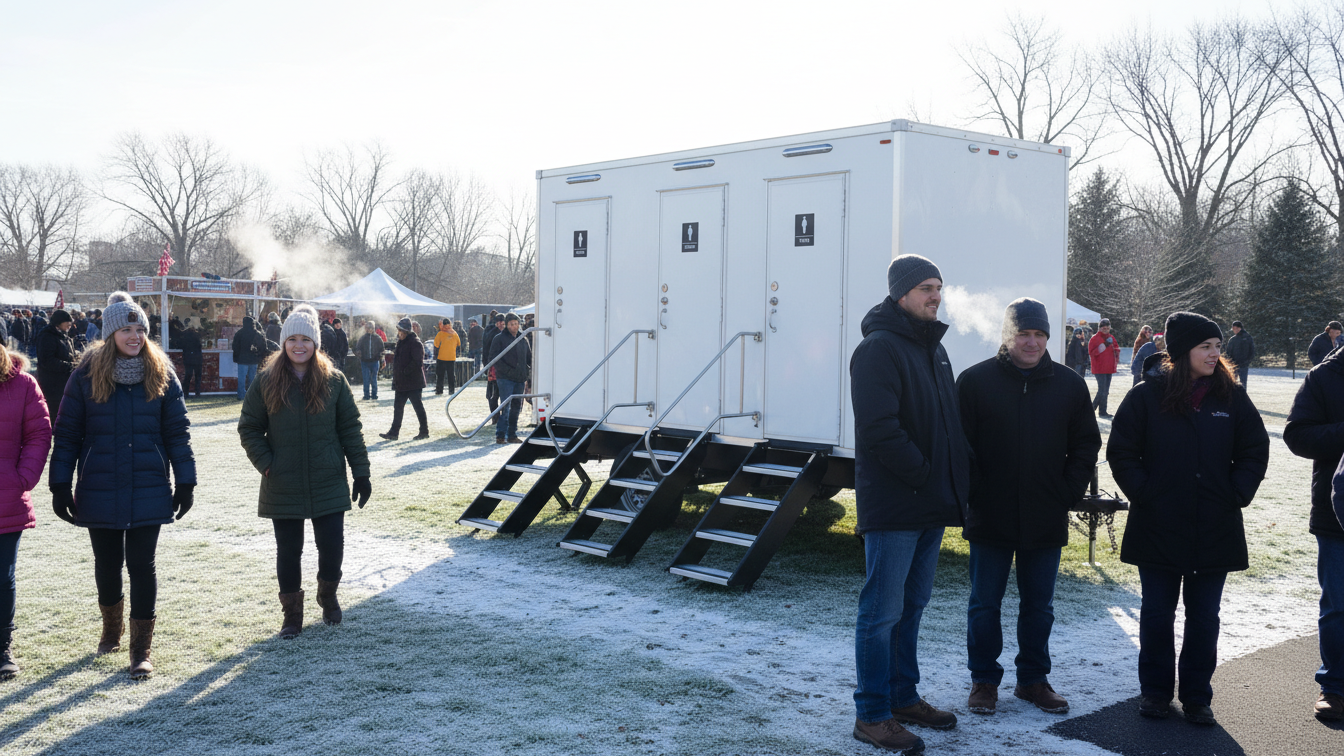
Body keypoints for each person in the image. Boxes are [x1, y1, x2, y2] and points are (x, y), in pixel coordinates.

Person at [1107, 312, 1269, 724]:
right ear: (1182, 353)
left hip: (1215, 526)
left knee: (1204, 617)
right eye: (1205, 347)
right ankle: (1156, 694)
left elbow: (1254, 448)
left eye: (1217, 346)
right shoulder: (1146, 396)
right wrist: (1145, 493)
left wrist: (1235, 493)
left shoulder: (1231, 397)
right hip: (1158, 524)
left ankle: (1197, 696)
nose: (1215, 354)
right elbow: (1122, 451)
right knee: (1157, 614)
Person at [956, 298, 1101, 717]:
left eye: (1039, 334)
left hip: (1045, 514)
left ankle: (1033, 680)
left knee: (1039, 605)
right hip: (990, 514)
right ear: (1008, 335)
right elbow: (959, 446)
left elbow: (1085, 445)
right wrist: (977, 492)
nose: (1032, 342)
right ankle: (984, 680)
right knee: (985, 603)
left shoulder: (1069, 385)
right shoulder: (975, 381)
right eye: (1024, 333)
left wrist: (1066, 492)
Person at [848, 255, 969, 753]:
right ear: (901, 292)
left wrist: (953, 478)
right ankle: (872, 714)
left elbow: (947, 423)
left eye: (938, 286)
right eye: (925, 287)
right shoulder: (878, 349)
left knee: (912, 606)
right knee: (881, 612)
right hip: (897, 504)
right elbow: (879, 430)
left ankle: (903, 697)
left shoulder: (933, 350)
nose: (934, 295)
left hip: (930, 502)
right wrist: (924, 473)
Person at [47, 292, 197, 680]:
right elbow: (66, 433)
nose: (134, 336)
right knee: (108, 564)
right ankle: (111, 630)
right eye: (125, 329)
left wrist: (186, 481)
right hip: (100, 484)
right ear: (110, 332)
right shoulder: (84, 375)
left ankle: (140, 649)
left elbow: (177, 433)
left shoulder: (162, 372)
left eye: (139, 329)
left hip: (148, 483)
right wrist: (60, 483)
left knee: (142, 565)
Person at [238, 304, 371, 639]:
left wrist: (361, 473)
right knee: (289, 550)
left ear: (316, 343)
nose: (299, 345)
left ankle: (328, 596)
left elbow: (350, 429)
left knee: (331, 546)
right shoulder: (266, 380)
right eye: (292, 339)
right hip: (282, 481)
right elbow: (249, 427)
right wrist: (268, 464)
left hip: (327, 479)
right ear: (283, 343)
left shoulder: (334, 381)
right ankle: (292, 615)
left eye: (306, 339)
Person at [1284, 338, 1344, 721]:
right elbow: (1298, 435)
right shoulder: (1324, 376)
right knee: (1339, 605)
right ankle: (1335, 687)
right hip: (1338, 513)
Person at [0, 340, 53, 680]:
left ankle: (2, 645)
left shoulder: (22, 383)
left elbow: (39, 432)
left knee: (2, 576)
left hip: (6, 493)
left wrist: (23, 477)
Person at [381, 318, 429, 441]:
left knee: (418, 407)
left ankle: (424, 431)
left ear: (406, 331)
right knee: (398, 408)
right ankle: (393, 432)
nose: (399, 334)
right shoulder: (401, 342)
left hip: (413, 382)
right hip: (402, 382)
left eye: (401, 331)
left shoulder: (415, 342)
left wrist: (405, 371)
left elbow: (417, 361)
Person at [488, 314, 530, 445]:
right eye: (511, 324)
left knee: (517, 407)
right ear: (506, 325)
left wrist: (527, 372)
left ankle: (512, 434)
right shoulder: (499, 338)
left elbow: (529, 357)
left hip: (520, 378)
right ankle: (500, 435)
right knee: (505, 407)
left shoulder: (523, 338)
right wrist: (507, 371)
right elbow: (494, 358)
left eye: (516, 323)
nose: (514, 326)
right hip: (505, 378)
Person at [35, 308, 77, 426]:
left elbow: (65, 352)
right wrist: (70, 366)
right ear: (58, 322)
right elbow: (47, 361)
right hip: (52, 383)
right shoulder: (47, 336)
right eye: (67, 322)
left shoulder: (63, 335)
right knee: (55, 411)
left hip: (63, 380)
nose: (70, 325)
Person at [1088, 318, 1121, 418]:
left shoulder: (1111, 337)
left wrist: (1116, 352)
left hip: (1109, 368)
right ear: (1099, 328)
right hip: (1099, 368)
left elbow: (1117, 349)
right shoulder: (1094, 339)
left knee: (1105, 391)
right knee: (1102, 390)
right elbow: (1092, 353)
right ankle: (1090, 410)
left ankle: (1102, 411)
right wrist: (1105, 345)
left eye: (1107, 328)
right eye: (1103, 328)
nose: (1106, 330)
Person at [232, 316, 267, 400]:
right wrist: (259, 355)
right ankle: (251, 396)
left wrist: (237, 356)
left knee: (241, 379)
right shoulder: (257, 334)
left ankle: (241, 395)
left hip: (242, 359)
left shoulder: (239, 333)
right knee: (252, 379)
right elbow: (263, 346)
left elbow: (234, 346)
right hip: (254, 359)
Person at [482, 314, 506, 422]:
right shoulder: (491, 334)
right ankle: (495, 418)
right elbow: (486, 350)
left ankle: (503, 417)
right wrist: (486, 367)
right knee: (492, 395)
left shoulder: (509, 334)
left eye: (503, 322)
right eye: (499, 322)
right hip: (493, 368)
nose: (500, 324)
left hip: (505, 370)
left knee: (504, 395)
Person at [355, 321, 385, 401]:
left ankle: (374, 394)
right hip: (365, 361)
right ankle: (367, 394)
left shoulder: (377, 338)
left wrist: (381, 357)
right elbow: (358, 348)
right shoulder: (363, 338)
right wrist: (359, 354)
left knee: (373, 379)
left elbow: (382, 349)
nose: (369, 330)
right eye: (368, 328)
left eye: (370, 328)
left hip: (374, 361)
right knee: (366, 379)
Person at [433, 318, 462, 396]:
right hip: (451, 358)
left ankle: (439, 390)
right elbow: (459, 345)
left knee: (440, 376)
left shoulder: (440, 333)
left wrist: (435, 355)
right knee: (451, 375)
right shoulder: (455, 334)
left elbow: (436, 345)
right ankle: (451, 391)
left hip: (441, 358)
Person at [1225, 321, 1254, 387]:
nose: (1234, 330)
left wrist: (1247, 362)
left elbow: (1252, 351)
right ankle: (1233, 397)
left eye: (1235, 328)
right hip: (1234, 365)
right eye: (1233, 328)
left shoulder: (1247, 338)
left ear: (1239, 328)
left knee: (1241, 383)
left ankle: (1240, 397)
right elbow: (1228, 352)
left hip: (1242, 365)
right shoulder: (1233, 339)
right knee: (1232, 382)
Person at [180, 322, 204, 397]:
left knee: (188, 375)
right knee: (198, 376)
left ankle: (185, 392)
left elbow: (181, 346)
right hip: (197, 358)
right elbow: (199, 346)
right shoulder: (197, 336)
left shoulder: (184, 336)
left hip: (188, 358)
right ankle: (197, 392)